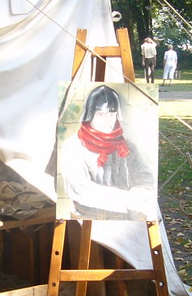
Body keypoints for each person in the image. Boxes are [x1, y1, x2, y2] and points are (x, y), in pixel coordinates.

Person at [59, 84, 155, 220]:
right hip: (88, 219)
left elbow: (146, 178)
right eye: (101, 114)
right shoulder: (73, 146)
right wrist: (127, 199)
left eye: (112, 114)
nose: (108, 120)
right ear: (90, 115)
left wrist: (140, 194)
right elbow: (80, 187)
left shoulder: (127, 147)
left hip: (127, 219)